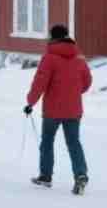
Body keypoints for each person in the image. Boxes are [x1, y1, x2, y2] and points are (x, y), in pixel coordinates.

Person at [26, 24, 93, 194]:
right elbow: (87, 81)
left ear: (53, 38)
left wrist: (30, 102)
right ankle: (80, 174)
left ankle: (46, 176)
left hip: (52, 111)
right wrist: (74, 93)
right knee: (74, 142)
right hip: (73, 109)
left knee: (47, 141)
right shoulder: (79, 57)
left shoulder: (49, 57)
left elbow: (40, 82)